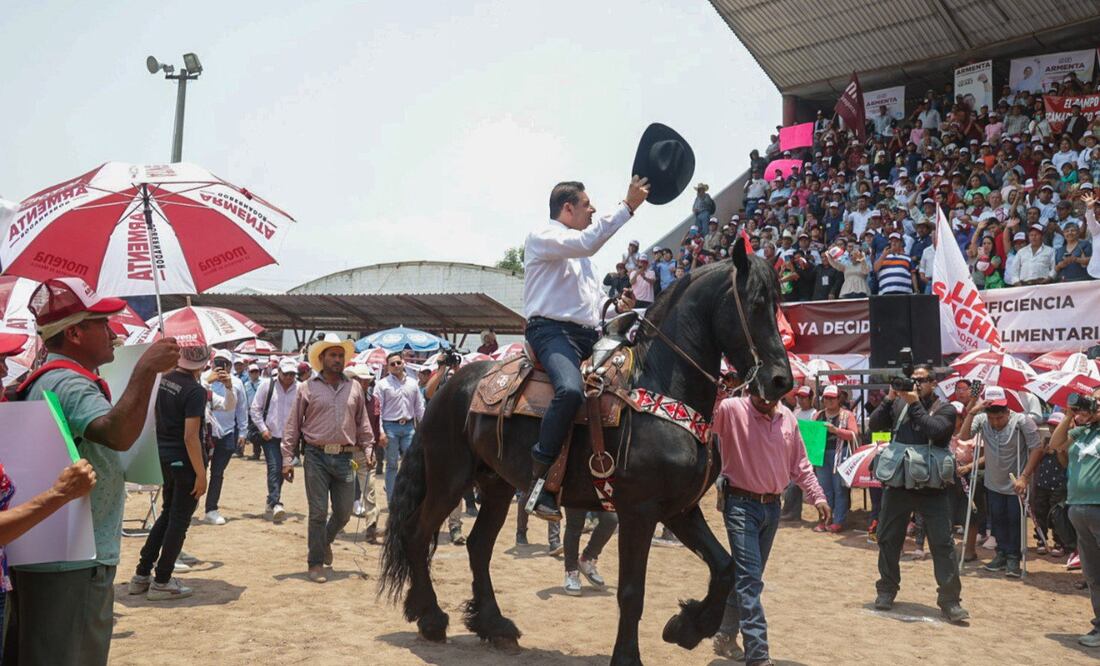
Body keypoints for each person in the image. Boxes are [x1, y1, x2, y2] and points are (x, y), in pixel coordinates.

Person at [6, 278, 180, 665]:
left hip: (51, 548)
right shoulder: (69, 382)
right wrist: (146, 369)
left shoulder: (48, 377)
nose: (112, 332)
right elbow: (114, 434)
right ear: (74, 332)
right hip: (76, 556)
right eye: (102, 322)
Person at [522, 178, 648, 520]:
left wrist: (616, 304)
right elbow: (589, 243)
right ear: (568, 208)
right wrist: (628, 207)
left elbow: (592, 306)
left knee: (631, 382)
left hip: (585, 334)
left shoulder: (580, 258)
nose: (592, 210)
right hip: (549, 332)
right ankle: (539, 477)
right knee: (570, 390)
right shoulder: (544, 237)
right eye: (587, 204)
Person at [710, 392, 829, 664]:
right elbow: (705, 422)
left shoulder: (788, 416)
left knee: (747, 577)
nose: (765, 399)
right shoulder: (731, 409)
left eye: (772, 394)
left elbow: (800, 463)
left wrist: (818, 495)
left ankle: (726, 634)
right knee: (750, 581)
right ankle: (758, 654)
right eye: (760, 393)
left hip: (772, 507)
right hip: (740, 505)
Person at [868, 364, 969, 623]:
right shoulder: (898, 405)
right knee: (888, 539)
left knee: (942, 544)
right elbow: (875, 425)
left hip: (932, 489)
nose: (916, 384)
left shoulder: (944, 409)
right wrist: (891, 397)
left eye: (921, 380)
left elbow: (935, 431)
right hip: (899, 485)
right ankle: (887, 590)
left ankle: (950, 601)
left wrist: (913, 403)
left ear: (933, 383)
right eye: (912, 380)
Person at [281, 334, 373, 583]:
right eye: (332, 355)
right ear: (321, 359)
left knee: (344, 513)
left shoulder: (354, 387)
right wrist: (287, 459)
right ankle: (315, 562)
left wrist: (368, 449)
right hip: (316, 456)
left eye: (340, 355)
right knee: (318, 512)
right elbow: (292, 426)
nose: (337, 359)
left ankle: (324, 541)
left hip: (345, 456)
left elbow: (362, 423)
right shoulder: (306, 388)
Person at [128, 344, 213, 601]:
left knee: (167, 515)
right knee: (179, 520)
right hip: (184, 461)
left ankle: (142, 574)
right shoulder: (195, 391)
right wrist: (201, 473)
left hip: (163, 456)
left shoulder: (163, 381)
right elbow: (190, 436)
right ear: (204, 363)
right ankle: (162, 580)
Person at [959, 387, 1040, 578]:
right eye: (992, 418)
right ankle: (1001, 554)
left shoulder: (1022, 421)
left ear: (1007, 410)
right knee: (997, 518)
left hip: (1015, 482)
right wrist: (972, 411)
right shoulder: (980, 419)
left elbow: (1037, 448)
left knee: (1014, 519)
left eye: (1000, 417)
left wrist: (1025, 477)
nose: (995, 422)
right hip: (993, 481)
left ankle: (1013, 558)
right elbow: (963, 437)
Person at [1048, 388, 1100, 648]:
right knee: (1093, 573)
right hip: (1079, 509)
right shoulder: (1082, 432)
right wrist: (1070, 415)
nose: (1092, 405)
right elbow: (1055, 445)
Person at [250, 358, 300, 523]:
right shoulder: (267, 385)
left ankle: (271, 500)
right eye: (286, 374)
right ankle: (276, 502)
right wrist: (263, 429)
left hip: (289, 437)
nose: (289, 377)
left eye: (292, 374)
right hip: (270, 436)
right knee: (274, 467)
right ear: (279, 372)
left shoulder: (299, 388)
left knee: (283, 470)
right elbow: (255, 409)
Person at [374, 350, 426, 505]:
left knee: (411, 464)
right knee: (391, 466)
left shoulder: (413, 383)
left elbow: (419, 408)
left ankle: (408, 499)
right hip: (390, 427)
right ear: (388, 367)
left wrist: (423, 429)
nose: (396, 366)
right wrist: (381, 432)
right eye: (393, 364)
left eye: (398, 362)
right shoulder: (382, 385)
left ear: (403, 363)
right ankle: (392, 502)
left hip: (409, 427)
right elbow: (378, 411)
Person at [202, 349, 248, 526]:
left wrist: (243, 432)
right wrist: (207, 382)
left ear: (230, 366)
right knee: (199, 470)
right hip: (205, 433)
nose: (220, 366)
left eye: (224, 363)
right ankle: (192, 503)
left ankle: (211, 509)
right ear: (212, 363)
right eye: (217, 362)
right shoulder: (204, 379)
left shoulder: (236, 383)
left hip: (227, 432)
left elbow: (239, 408)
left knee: (217, 473)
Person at [344, 364, 382, 543]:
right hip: (344, 450)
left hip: (364, 450)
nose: (363, 383)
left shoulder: (373, 401)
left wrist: (371, 449)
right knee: (342, 488)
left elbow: (374, 425)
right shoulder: (343, 399)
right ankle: (339, 520)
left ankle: (371, 526)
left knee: (370, 489)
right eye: (360, 380)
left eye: (365, 380)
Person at [813, 385, 858, 533]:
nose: (829, 401)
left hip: (841, 454)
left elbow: (854, 434)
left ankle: (838, 520)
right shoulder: (818, 415)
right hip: (821, 455)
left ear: (839, 399)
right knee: (824, 489)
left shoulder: (847, 415)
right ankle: (825, 519)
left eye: (832, 398)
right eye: (826, 398)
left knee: (840, 489)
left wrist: (835, 430)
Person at [561, 508, 617, 596]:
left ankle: (586, 559)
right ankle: (571, 571)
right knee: (574, 524)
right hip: (575, 494)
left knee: (611, 519)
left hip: (599, 494)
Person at [242, 363, 264, 459]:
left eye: (256, 371)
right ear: (249, 373)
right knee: (254, 434)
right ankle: (256, 453)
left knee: (263, 431)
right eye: (252, 372)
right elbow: (245, 398)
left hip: (262, 412)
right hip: (251, 412)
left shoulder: (264, 383)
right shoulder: (246, 385)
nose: (254, 373)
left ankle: (267, 452)